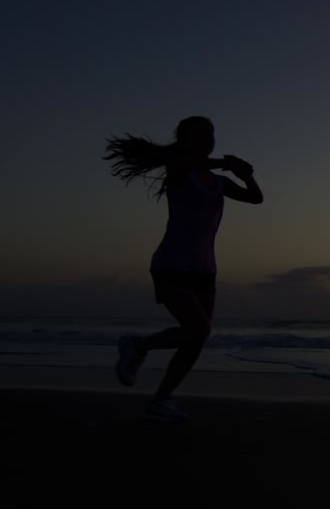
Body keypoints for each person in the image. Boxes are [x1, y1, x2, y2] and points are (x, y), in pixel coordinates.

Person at [103, 116, 263, 422]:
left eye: (212, 134)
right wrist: (228, 163)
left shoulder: (218, 182)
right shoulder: (179, 170)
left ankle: (159, 396)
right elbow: (187, 164)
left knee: (196, 336)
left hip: (205, 268)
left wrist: (246, 175)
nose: (209, 139)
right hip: (171, 263)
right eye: (202, 134)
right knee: (199, 328)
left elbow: (256, 198)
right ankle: (141, 346)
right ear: (185, 139)